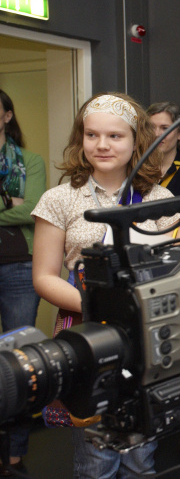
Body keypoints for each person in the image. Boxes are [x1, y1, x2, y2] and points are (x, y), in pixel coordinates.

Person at [31, 92, 180, 479]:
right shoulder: (59, 199)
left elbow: (173, 271)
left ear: (136, 142)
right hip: (86, 329)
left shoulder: (160, 199)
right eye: (92, 135)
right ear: (81, 139)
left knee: (140, 452)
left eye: (115, 136)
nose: (102, 145)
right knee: (95, 453)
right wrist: (100, 305)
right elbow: (44, 277)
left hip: (144, 335)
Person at [0, 89, 46, 476]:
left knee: (19, 362)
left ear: (6, 116)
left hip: (19, 269)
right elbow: (16, 208)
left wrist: (20, 209)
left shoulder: (30, 161)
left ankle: (14, 455)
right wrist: (8, 206)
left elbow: (33, 210)